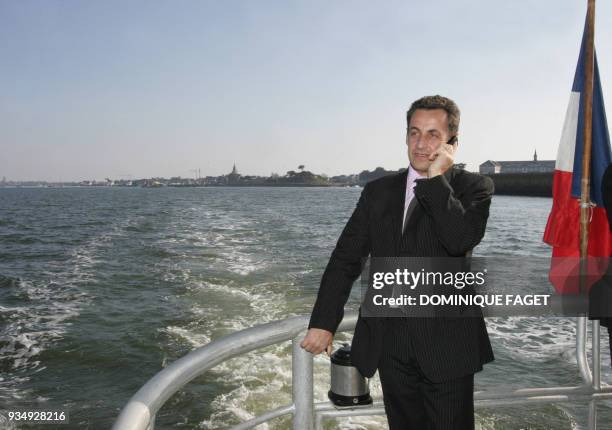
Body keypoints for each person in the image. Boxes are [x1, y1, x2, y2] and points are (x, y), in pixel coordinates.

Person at [301, 95, 494, 429]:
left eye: (433, 134)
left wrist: (435, 180)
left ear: (452, 143)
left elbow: (459, 239)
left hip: (447, 346)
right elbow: (346, 258)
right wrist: (324, 321)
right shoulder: (378, 192)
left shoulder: (474, 187)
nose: (420, 144)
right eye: (414, 132)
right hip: (389, 345)